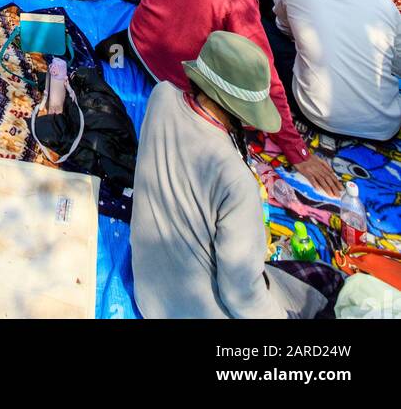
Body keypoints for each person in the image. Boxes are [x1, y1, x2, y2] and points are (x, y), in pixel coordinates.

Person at [122, 0, 339, 192]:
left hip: (139, 40)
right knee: (284, 59)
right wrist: (296, 151)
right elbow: (266, 76)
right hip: (176, 77)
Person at [131, 32, 335, 320]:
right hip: (196, 310)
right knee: (325, 287)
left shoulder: (161, 95)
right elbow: (241, 296)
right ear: (243, 111)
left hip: (148, 291)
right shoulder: (236, 180)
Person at [274, 0, 401, 141]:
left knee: (269, 32)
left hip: (318, 115)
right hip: (384, 124)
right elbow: (397, 63)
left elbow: (284, 28)